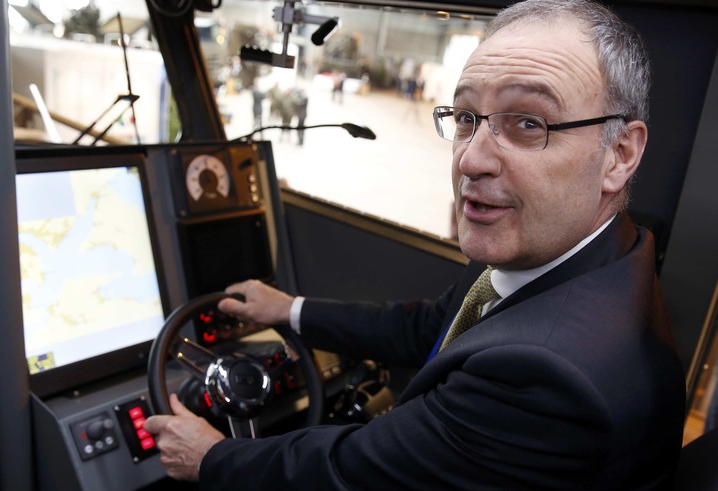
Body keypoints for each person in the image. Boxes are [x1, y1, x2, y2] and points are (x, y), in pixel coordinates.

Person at [144, 1, 686, 489]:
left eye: (528, 123)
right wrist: (289, 310)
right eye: (468, 118)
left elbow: (350, 469)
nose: (471, 159)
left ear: (619, 154)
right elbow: (430, 328)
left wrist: (213, 457)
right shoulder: (586, 253)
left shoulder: (549, 378)